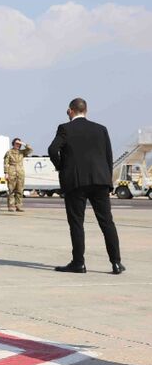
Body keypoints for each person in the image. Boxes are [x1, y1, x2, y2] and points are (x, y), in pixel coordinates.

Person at [47, 98, 124, 274]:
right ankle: (116, 263)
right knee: (106, 222)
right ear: (86, 110)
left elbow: (52, 149)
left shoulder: (65, 128)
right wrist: (107, 180)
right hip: (100, 181)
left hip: (76, 182)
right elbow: (108, 156)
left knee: (76, 223)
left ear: (70, 111)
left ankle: (79, 263)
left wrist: (61, 167)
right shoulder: (101, 129)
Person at [3, 137, 33, 212]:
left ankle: (18, 206)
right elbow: (6, 163)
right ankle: (10, 206)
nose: (17, 145)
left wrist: (23, 143)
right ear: (13, 144)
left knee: (20, 190)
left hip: (20, 173)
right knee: (11, 190)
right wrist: (6, 173)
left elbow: (30, 150)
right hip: (11, 172)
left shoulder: (22, 152)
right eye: (16, 143)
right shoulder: (9, 152)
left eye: (19, 144)